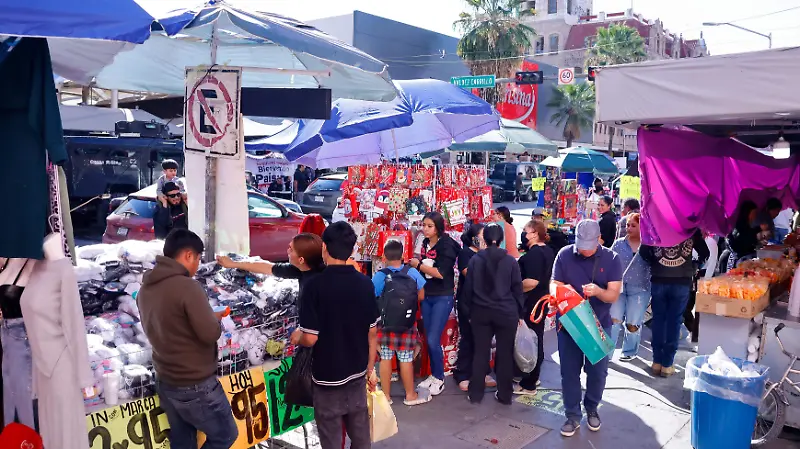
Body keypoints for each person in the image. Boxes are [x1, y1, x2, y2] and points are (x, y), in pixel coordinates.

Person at [138, 229, 237, 449]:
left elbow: (172, 325)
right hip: (194, 384)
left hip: (165, 379)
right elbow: (210, 333)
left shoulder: (145, 288)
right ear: (188, 255)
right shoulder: (188, 287)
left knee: (183, 442)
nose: (198, 265)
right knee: (225, 435)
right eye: (198, 259)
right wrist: (214, 319)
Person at [290, 222, 379, 449]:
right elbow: (372, 333)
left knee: (331, 437)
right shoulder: (365, 283)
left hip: (326, 377)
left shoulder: (314, 286)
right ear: (352, 249)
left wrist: (298, 336)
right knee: (360, 435)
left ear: (324, 248)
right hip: (357, 372)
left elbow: (310, 338)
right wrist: (370, 369)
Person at [551, 219, 622, 437]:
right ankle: (572, 415)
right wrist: (564, 292)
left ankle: (592, 408)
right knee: (569, 372)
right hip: (570, 323)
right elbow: (553, 285)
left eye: (590, 246)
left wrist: (598, 292)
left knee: (598, 372)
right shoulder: (564, 254)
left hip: (598, 324)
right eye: (582, 246)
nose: (585, 250)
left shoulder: (612, 258)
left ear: (599, 239)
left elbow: (613, 294)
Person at [461, 223, 524, 405]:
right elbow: (517, 289)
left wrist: (467, 312)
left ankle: (476, 394)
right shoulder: (510, 261)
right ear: (501, 239)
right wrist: (520, 314)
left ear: (484, 239)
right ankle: (505, 395)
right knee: (505, 353)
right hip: (506, 312)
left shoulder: (475, 260)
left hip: (480, 312)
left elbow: (468, 290)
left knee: (480, 352)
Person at [640, 229, 708, 377]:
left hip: (659, 278)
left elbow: (643, 252)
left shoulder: (656, 225)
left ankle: (657, 361)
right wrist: (694, 266)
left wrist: (655, 262)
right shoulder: (690, 227)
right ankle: (667, 364)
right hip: (681, 280)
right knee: (674, 322)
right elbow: (705, 253)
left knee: (658, 320)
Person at [373, 240, 431, 406]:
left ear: (384, 257)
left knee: (385, 358)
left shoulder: (380, 275)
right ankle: (410, 395)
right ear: (403, 256)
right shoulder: (412, 272)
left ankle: (386, 396)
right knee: (405, 359)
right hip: (407, 323)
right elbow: (421, 296)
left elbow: (373, 296)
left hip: (386, 323)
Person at [408, 212, 460, 396]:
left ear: (438, 227)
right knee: (430, 339)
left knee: (432, 338)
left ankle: (439, 378)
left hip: (442, 296)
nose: (425, 229)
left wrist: (418, 265)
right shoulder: (424, 242)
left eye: (429, 226)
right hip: (427, 295)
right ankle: (434, 374)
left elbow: (440, 273)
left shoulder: (447, 245)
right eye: (424, 225)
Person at [452, 222, 496, 392]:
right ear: (474, 237)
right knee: (468, 338)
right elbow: (470, 274)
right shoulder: (466, 253)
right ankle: (463, 374)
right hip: (469, 303)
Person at [216, 233, 324, 297]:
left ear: (301, 260)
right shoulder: (300, 269)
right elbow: (267, 267)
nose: (287, 251)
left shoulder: (315, 285)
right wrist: (233, 264)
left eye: (291, 249)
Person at [515, 219, 555, 395]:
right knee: (535, 338)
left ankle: (529, 382)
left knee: (531, 340)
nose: (523, 234)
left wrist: (513, 288)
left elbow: (531, 281)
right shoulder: (547, 251)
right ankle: (531, 375)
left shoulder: (535, 254)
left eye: (526, 230)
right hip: (540, 301)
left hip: (532, 303)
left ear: (534, 233)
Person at [610, 213, 651, 362]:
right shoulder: (618, 244)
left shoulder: (648, 245)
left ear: (642, 227)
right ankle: (607, 352)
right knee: (614, 320)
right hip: (618, 287)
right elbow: (609, 262)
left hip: (640, 288)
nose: (629, 228)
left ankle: (629, 351)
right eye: (627, 225)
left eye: (633, 225)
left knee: (633, 323)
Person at [723, 200, 759, 272]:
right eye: (754, 213)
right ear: (747, 213)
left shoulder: (751, 227)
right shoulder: (740, 227)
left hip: (745, 259)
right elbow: (741, 243)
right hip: (737, 260)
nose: (755, 215)